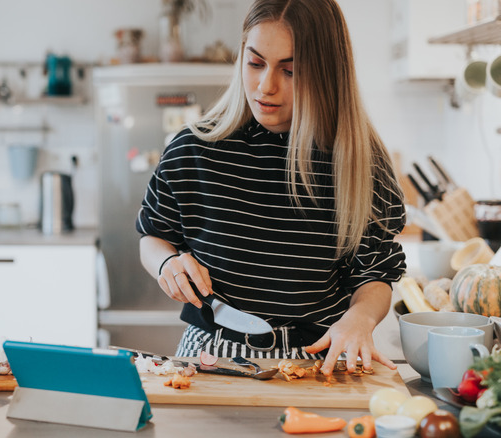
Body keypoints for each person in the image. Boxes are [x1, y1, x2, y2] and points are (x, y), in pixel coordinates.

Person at [135, 0, 406, 376]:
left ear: (327, 73)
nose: (266, 86)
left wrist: (360, 319)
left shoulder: (360, 162)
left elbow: (375, 272)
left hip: (318, 356)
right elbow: (153, 237)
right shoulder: (194, 149)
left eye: (291, 70)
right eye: (255, 63)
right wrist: (166, 262)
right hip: (211, 354)